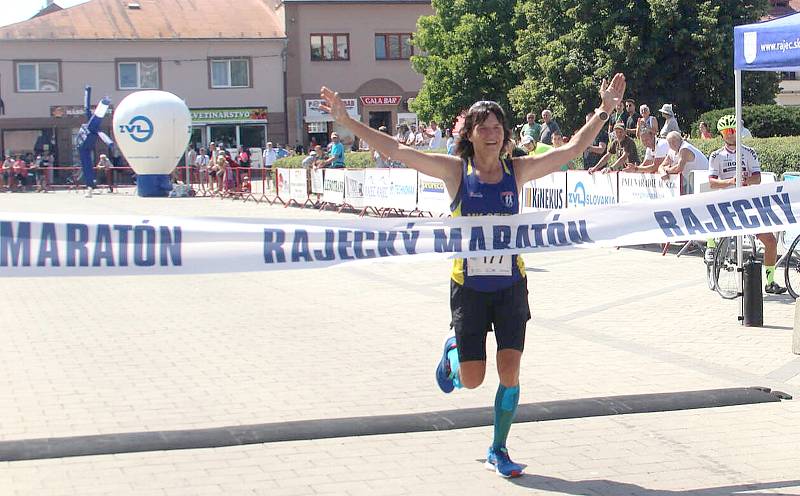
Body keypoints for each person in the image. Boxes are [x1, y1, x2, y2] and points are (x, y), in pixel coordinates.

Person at [319, 72, 627, 478]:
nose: (492, 134)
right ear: (471, 135)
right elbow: (395, 149)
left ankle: (499, 449)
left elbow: (571, 149)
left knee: (510, 371)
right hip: (469, 289)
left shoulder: (518, 172)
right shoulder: (454, 172)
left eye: (498, 128)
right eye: (484, 128)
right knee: (472, 378)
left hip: (511, 287)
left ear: (505, 135)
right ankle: (451, 354)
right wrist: (348, 121)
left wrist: (605, 110)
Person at [707, 115, 785, 294]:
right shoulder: (716, 156)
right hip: (726, 205)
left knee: (771, 241)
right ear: (721, 134)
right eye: (727, 131)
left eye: (733, 130)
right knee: (710, 220)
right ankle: (711, 248)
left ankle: (770, 281)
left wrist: (745, 181)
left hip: (747, 206)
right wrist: (730, 182)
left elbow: (757, 178)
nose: (731, 134)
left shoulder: (749, 153)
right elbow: (712, 182)